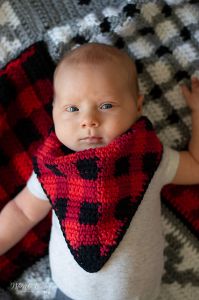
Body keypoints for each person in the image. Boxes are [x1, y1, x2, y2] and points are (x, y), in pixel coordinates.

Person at [0, 43, 199, 300]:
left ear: (138, 107)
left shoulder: (148, 158)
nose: (89, 120)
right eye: (72, 109)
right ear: (54, 113)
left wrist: (197, 112)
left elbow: (195, 166)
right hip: (70, 293)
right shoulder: (52, 170)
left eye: (106, 105)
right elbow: (21, 212)